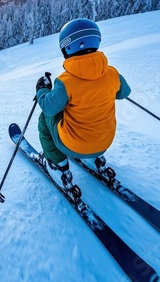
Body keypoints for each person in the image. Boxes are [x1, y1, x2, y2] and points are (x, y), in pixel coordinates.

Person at [35, 18, 131, 190]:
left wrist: (42, 89)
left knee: (44, 119)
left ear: (67, 48)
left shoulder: (65, 82)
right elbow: (124, 93)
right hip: (104, 143)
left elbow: (48, 107)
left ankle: (58, 164)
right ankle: (96, 157)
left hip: (73, 146)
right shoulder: (112, 73)